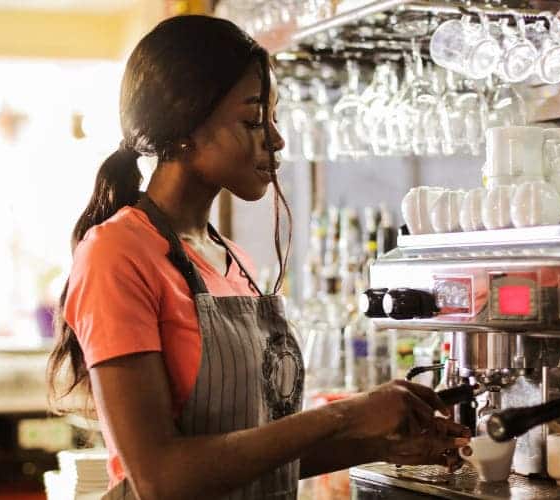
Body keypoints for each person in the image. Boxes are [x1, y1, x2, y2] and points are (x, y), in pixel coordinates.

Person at [47, 15, 470, 500]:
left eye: (272, 118)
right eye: (252, 121)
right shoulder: (117, 253)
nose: (275, 138)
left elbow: (255, 454)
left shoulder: (232, 260)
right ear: (184, 127)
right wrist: (346, 414)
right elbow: (160, 477)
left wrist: (382, 444)